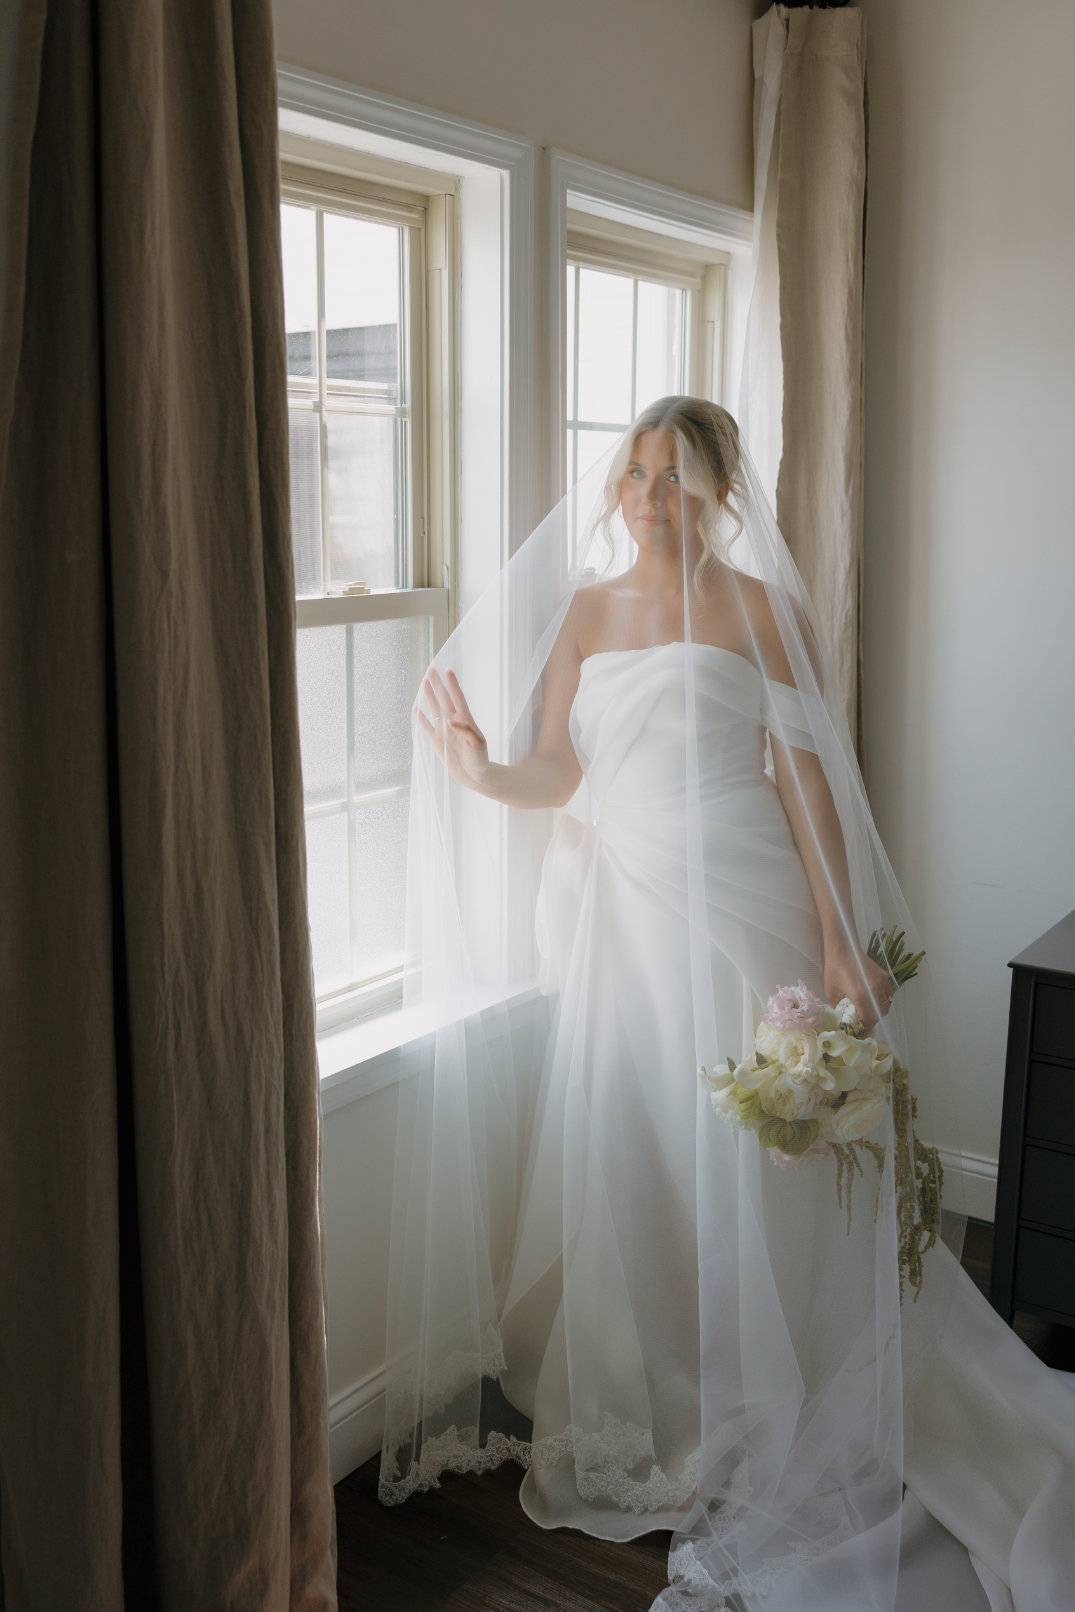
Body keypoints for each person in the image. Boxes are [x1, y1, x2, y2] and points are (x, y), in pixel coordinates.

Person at [380, 398, 1075, 1611]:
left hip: (743, 909)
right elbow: (560, 768)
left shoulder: (761, 608)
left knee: (750, 1165)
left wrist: (841, 944)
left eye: (678, 476)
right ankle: (670, 1394)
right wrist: (482, 768)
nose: (651, 495)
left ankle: (777, 1381)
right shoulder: (585, 613)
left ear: (718, 491)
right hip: (626, 928)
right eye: (636, 472)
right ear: (616, 485)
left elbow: (805, 786)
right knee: (641, 1156)